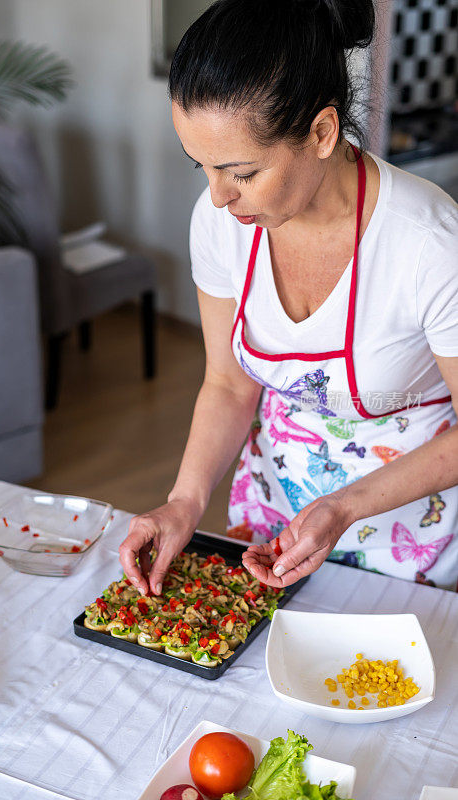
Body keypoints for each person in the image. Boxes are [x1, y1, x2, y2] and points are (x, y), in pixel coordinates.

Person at [119, 0, 458, 593]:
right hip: (275, 517)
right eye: (202, 166)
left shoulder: (428, 242)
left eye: (241, 173)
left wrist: (344, 506)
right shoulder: (222, 221)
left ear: (322, 133)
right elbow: (228, 384)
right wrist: (183, 502)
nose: (219, 197)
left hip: (411, 535)